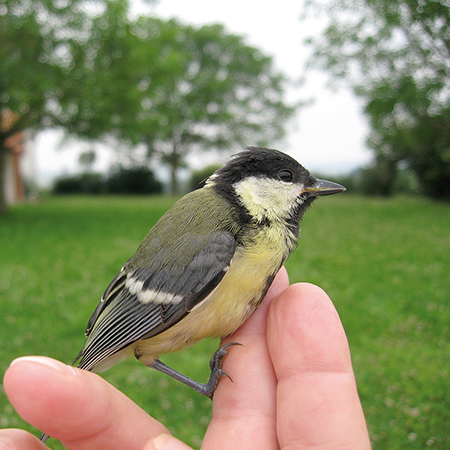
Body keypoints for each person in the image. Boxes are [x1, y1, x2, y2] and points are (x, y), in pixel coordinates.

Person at [0, 268, 371, 449]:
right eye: (287, 178)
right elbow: (142, 311)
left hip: (139, 320)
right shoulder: (221, 242)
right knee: (146, 353)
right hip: (138, 327)